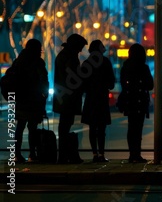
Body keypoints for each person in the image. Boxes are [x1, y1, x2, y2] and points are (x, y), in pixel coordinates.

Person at [53, 33, 88, 164]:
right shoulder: (70, 58)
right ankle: (64, 156)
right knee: (65, 126)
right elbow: (74, 77)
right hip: (68, 98)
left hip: (64, 97)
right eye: (80, 47)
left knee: (64, 127)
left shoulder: (63, 56)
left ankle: (63, 156)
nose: (81, 50)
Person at [13, 39, 49, 163]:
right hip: (34, 99)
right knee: (32, 127)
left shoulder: (18, 62)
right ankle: (32, 154)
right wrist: (45, 95)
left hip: (20, 99)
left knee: (20, 127)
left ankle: (16, 154)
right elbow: (43, 80)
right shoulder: (38, 62)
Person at [118, 43, 154, 163]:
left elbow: (123, 84)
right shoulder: (144, 68)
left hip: (129, 100)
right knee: (138, 129)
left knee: (131, 127)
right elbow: (150, 85)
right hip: (140, 101)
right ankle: (136, 154)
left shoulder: (125, 67)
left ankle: (132, 154)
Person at [81, 40, 116, 163]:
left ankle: (94, 154)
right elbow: (111, 82)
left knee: (92, 127)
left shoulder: (86, 63)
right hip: (102, 98)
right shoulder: (105, 62)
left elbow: (82, 83)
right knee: (102, 128)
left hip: (90, 98)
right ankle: (101, 153)